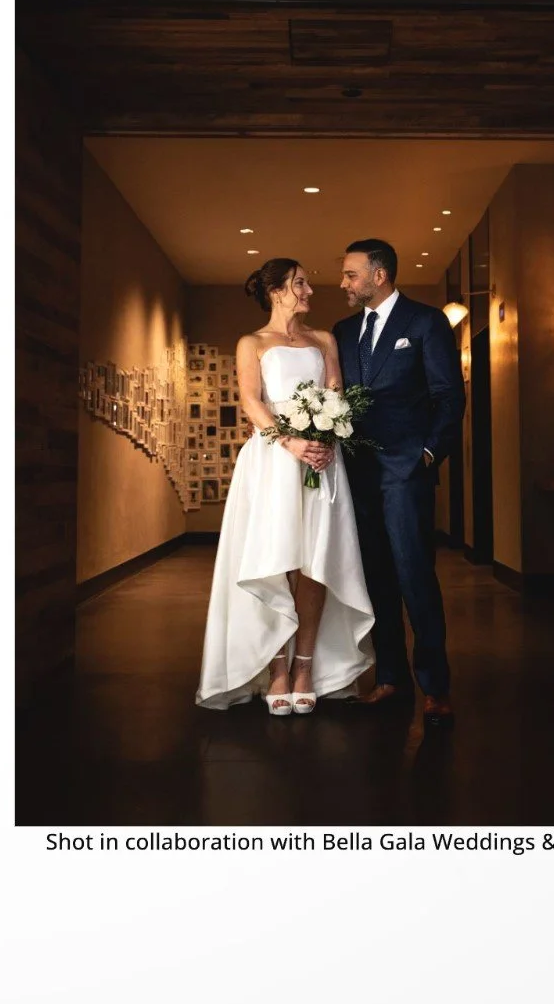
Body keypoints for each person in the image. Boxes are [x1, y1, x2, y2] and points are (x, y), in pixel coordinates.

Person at [197, 259, 375, 714]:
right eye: (301, 283)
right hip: (273, 460)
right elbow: (251, 401)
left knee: (316, 560)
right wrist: (291, 441)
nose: (310, 290)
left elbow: (335, 393)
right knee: (275, 557)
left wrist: (325, 436)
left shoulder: (324, 340)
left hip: (321, 460)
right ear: (277, 290)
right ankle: (276, 669)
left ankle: (305, 667)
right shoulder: (252, 343)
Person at [336, 239, 466, 727]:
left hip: (406, 472)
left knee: (416, 576)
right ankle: (390, 678)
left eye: (351, 274)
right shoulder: (343, 331)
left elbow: (448, 396)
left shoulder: (426, 322)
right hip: (357, 475)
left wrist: (429, 455)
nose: (344, 283)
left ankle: (436, 687)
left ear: (380, 275)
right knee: (375, 581)